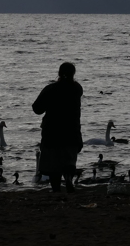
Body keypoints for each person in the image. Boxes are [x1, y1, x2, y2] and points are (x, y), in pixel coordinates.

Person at [32, 61, 84, 192]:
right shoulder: (77, 89)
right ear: (73, 74)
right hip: (71, 132)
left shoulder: (51, 89)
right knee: (69, 160)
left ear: (59, 74)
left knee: (53, 165)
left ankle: (56, 189)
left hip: (52, 133)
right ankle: (68, 179)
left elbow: (37, 108)